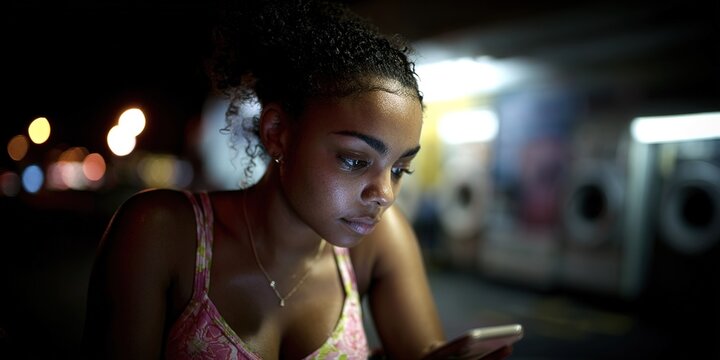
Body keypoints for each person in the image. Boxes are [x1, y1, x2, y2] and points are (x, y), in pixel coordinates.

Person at [81, 1, 514, 359]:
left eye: (400, 169)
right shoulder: (159, 232)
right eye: (353, 160)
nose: (383, 195)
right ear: (277, 133)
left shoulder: (379, 245)